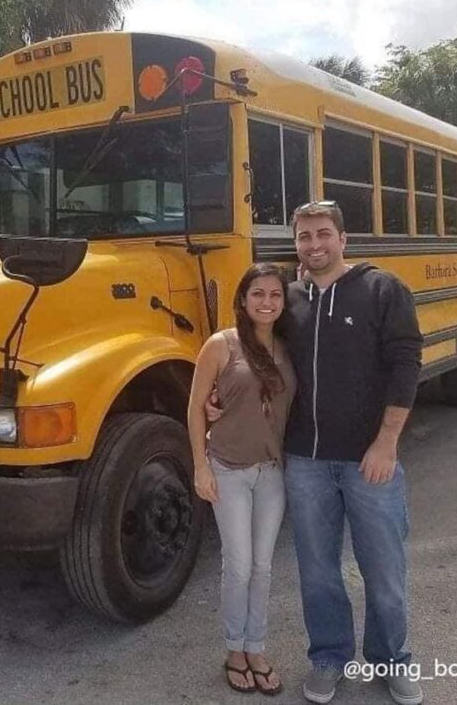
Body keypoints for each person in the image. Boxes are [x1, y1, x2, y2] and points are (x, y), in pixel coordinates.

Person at [282, 201, 424, 705]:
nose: (314, 244)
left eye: (323, 233)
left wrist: (386, 443)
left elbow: (407, 364)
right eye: (304, 237)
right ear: (295, 244)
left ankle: (392, 660)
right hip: (305, 461)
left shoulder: (381, 289)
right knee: (317, 571)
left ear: (344, 238)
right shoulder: (289, 298)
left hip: (370, 461)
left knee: (385, 570)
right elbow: (258, 356)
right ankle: (328, 658)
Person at [188, 262, 297, 696]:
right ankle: (234, 649)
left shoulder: (288, 348)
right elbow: (196, 407)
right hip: (228, 469)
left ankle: (256, 647)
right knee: (238, 565)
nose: (267, 302)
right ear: (243, 299)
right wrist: (200, 466)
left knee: (263, 567)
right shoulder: (221, 345)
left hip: (272, 472)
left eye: (275, 295)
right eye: (258, 294)